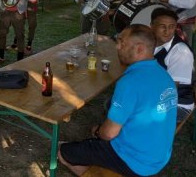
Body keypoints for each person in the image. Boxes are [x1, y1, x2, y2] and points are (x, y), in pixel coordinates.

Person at [58, 24, 177, 176]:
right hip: (159, 156)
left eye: (122, 42)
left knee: (64, 151)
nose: (118, 47)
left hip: (136, 161)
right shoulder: (163, 74)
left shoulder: (130, 82)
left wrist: (99, 131)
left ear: (139, 48)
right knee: (97, 133)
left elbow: (109, 135)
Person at [151, 8, 195, 123]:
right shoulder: (150, 42)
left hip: (177, 104)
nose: (167, 31)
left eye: (171, 27)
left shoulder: (181, 52)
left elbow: (170, 91)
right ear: (151, 25)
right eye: (162, 26)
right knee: (118, 104)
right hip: (155, 93)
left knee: (137, 116)